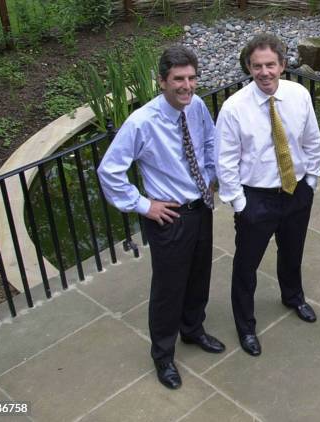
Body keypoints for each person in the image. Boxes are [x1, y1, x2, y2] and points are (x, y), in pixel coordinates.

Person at [97, 45, 225, 390]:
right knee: (169, 289)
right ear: (162, 81)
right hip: (168, 219)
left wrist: (210, 176)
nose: (187, 85)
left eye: (192, 78)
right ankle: (163, 356)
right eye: (178, 79)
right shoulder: (141, 122)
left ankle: (193, 330)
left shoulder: (196, 106)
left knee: (199, 276)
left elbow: (210, 142)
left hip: (201, 209)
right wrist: (143, 205)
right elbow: (109, 170)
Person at [215, 33, 320, 357]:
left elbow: (312, 140)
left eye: (270, 65)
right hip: (256, 199)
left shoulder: (299, 95)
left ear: (283, 65)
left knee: (292, 253)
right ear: (249, 68)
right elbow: (225, 161)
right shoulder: (234, 108)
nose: (264, 72)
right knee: (246, 266)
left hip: (295, 192)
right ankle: (246, 327)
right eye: (257, 66)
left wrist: (311, 182)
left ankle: (293, 297)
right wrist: (239, 204)